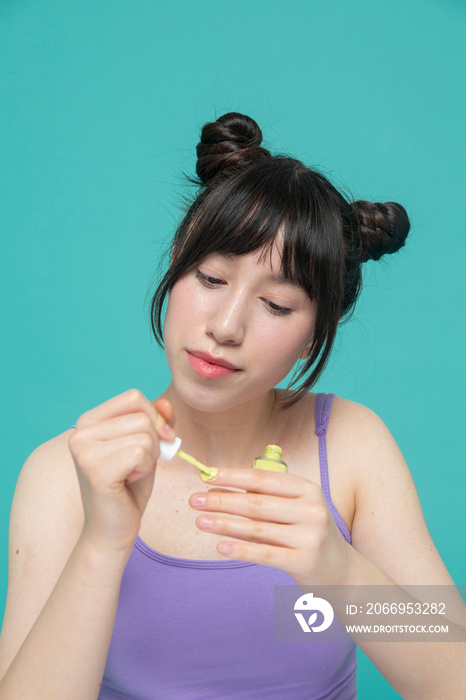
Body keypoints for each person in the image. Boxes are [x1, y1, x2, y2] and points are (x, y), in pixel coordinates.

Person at [0, 112, 464, 700]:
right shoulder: (65, 476)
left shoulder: (349, 446)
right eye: (212, 278)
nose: (224, 327)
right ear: (176, 263)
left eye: (275, 305)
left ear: (319, 329)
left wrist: (339, 571)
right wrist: (102, 543)